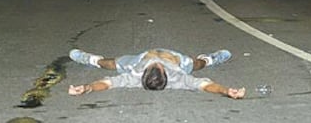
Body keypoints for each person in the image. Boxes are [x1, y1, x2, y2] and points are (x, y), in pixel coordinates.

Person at [68, 48, 245, 99]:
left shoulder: (134, 75)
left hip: (138, 58)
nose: (157, 62)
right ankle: (211, 59)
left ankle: (90, 59)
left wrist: (87, 87)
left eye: (155, 65)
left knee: (110, 64)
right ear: (164, 73)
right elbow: (205, 85)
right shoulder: (178, 77)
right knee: (196, 64)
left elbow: (107, 83)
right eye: (158, 66)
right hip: (176, 58)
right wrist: (226, 91)